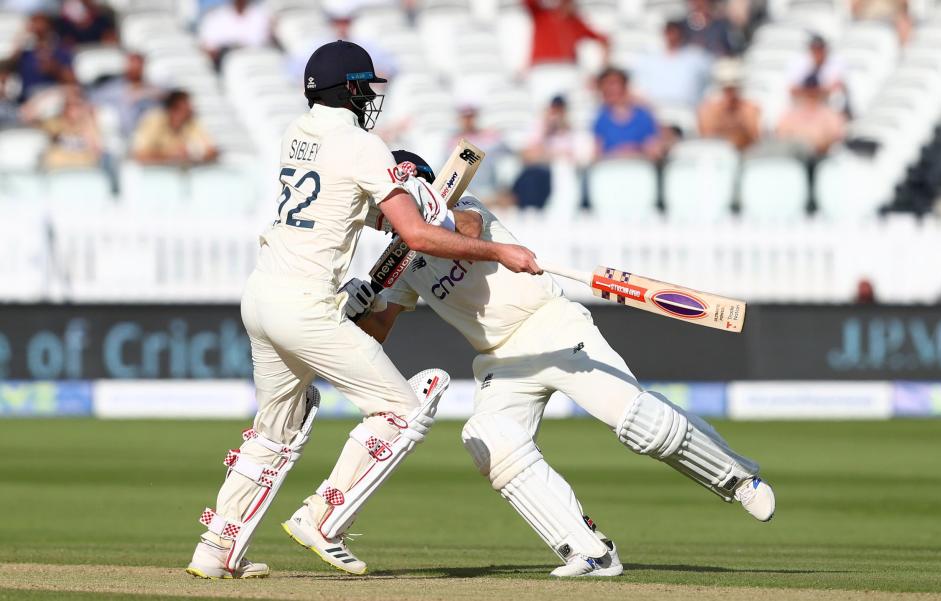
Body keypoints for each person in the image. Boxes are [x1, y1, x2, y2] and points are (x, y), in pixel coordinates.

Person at [185, 41, 541, 580]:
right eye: (366, 86)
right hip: (304, 305)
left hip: (262, 295)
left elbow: (352, 212)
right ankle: (322, 519)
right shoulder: (362, 144)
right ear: (348, 88)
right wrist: (499, 250)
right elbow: (415, 234)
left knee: (275, 430)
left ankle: (216, 550)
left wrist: (408, 202)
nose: (371, 96)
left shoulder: (294, 133)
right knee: (402, 410)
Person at [346, 151, 776, 577]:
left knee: (642, 424)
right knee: (488, 438)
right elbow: (379, 330)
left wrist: (434, 218)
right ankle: (591, 553)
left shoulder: (463, 205)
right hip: (501, 360)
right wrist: (357, 311)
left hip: (553, 327)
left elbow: (469, 231)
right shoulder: (402, 262)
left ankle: (738, 479)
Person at [632, 20, 712, 109]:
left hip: (686, 109)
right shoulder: (649, 58)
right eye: (669, 32)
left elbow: (709, 83)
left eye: (675, 32)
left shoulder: (697, 56)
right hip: (656, 109)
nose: (672, 36)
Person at [131, 89, 217, 166]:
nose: (192, 110)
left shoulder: (191, 123)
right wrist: (171, 156)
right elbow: (139, 155)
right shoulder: (154, 121)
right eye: (187, 106)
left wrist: (192, 152)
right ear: (175, 108)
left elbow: (212, 151)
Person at [592, 67, 663, 160]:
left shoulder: (643, 116)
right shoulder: (600, 119)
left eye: (613, 84)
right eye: (605, 85)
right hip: (611, 168)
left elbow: (655, 150)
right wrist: (617, 153)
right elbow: (597, 154)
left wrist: (635, 151)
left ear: (624, 86)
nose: (609, 88)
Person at [89, 53, 163, 138]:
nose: (135, 69)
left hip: (149, 135)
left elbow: (169, 95)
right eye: (132, 66)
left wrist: (141, 94)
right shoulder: (115, 87)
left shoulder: (152, 87)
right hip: (124, 134)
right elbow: (93, 98)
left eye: (138, 66)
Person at [776, 75, 846, 158]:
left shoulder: (830, 114)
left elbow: (837, 135)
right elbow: (782, 134)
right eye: (809, 92)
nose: (811, 95)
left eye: (814, 92)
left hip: (823, 158)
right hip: (795, 158)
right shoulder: (790, 114)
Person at [697, 59, 761, 151]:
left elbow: (756, 138)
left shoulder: (750, 109)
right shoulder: (707, 111)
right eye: (726, 89)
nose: (730, 94)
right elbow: (707, 138)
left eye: (733, 88)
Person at [524, 0, 609, 67]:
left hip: (567, 67)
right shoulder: (542, 15)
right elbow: (528, 2)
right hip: (542, 66)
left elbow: (602, 39)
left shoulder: (575, 22)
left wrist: (603, 64)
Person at [36, 85, 103, 169]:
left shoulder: (89, 123)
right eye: (69, 105)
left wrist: (90, 122)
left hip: (83, 166)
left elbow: (97, 150)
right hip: (59, 166)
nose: (72, 109)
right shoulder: (55, 122)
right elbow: (30, 118)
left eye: (77, 105)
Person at [12, 13, 74, 101]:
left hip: (54, 94)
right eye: (34, 22)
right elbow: (9, 65)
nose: (37, 26)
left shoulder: (61, 50)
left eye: (40, 22)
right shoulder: (25, 54)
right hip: (30, 96)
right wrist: (22, 36)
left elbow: (72, 81)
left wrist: (55, 69)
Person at [198, 0, 272, 67]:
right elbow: (209, 49)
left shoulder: (262, 15)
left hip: (257, 63)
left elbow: (267, 44)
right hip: (225, 67)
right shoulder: (214, 17)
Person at [788, 35, 848, 116]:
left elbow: (834, 87)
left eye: (820, 49)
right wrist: (811, 93)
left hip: (825, 99)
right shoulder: (801, 62)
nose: (817, 52)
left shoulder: (836, 62)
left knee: (837, 95)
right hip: (806, 97)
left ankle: (834, 120)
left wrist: (813, 93)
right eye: (814, 49)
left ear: (825, 49)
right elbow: (793, 88)